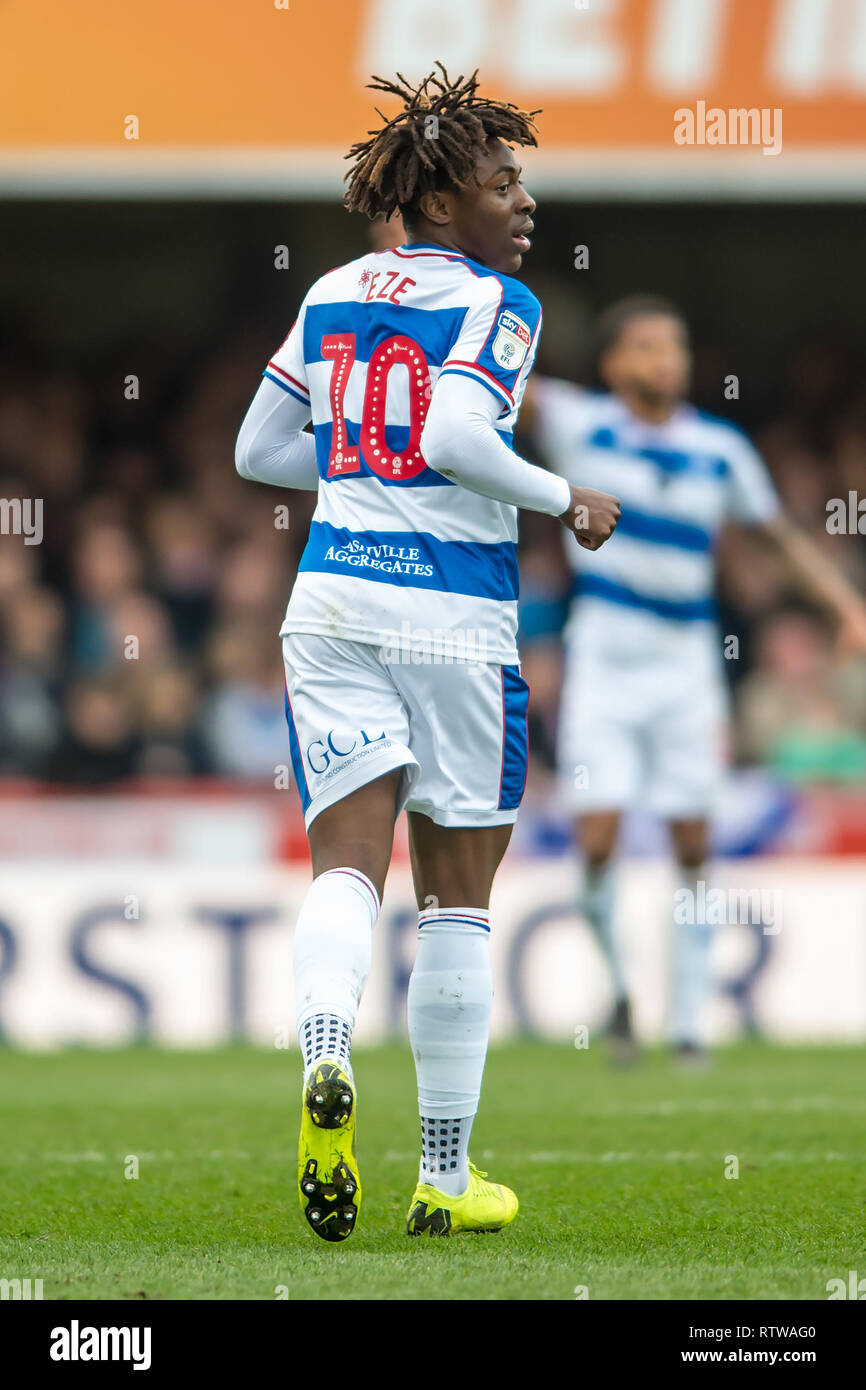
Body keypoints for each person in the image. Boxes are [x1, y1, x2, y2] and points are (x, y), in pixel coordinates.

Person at [234, 64, 619, 1241]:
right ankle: (444, 1178)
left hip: (332, 604)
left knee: (345, 867)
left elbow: (260, 451)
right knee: (455, 899)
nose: (523, 202)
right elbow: (455, 433)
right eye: (504, 182)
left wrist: (360, 467)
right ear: (444, 203)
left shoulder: (337, 288)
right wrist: (563, 496)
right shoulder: (501, 304)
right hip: (452, 620)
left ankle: (324, 1052)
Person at [522, 295, 866, 1063]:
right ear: (613, 364)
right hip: (605, 658)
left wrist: (846, 604)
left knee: (692, 839)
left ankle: (684, 1022)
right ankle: (618, 996)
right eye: (645, 347)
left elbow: (776, 533)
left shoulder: (721, 448)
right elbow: (498, 369)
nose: (664, 360)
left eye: (672, 346)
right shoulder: (579, 421)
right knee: (599, 836)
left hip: (686, 664)